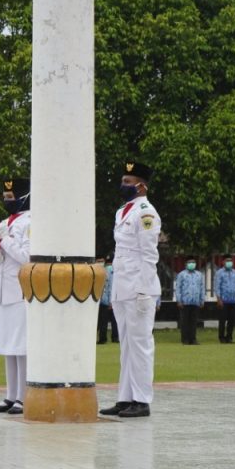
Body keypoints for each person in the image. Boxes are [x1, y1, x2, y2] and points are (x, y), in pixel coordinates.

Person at [99, 163, 160, 419]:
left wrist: (146, 290)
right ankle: (125, 397)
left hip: (139, 288)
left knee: (140, 345)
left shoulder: (146, 213)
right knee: (126, 345)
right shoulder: (122, 211)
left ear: (141, 186)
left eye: (128, 181)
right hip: (123, 287)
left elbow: (149, 254)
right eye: (122, 180)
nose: (123, 185)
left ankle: (142, 400)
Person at [0, 177, 31, 416]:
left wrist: (5, 239)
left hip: (21, 292)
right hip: (5, 291)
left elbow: (26, 257)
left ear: (24, 197)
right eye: (5, 198)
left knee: (21, 347)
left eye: (11, 198)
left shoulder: (30, 222)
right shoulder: (6, 222)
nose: (7, 201)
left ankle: (23, 397)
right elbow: (7, 259)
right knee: (8, 346)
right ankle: (10, 395)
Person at [174, 256, 204, 345]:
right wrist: (179, 300)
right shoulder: (181, 274)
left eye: (193, 262)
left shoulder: (199, 274)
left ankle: (193, 339)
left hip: (195, 301)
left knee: (194, 322)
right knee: (184, 322)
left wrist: (202, 300)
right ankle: (185, 339)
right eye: (190, 263)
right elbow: (178, 288)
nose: (192, 264)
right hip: (185, 301)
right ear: (186, 264)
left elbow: (202, 287)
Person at [214, 254, 235, 344]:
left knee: (231, 320)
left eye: (230, 261)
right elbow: (217, 286)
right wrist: (219, 299)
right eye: (227, 261)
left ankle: (229, 337)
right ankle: (221, 337)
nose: (229, 262)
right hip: (223, 300)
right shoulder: (219, 273)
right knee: (222, 320)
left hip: (233, 300)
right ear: (223, 262)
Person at [96, 255, 118, 344]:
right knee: (114, 321)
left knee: (103, 322)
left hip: (104, 300)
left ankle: (103, 338)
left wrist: (109, 301)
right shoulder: (114, 270)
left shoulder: (104, 270)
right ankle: (115, 337)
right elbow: (112, 287)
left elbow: (108, 287)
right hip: (113, 300)